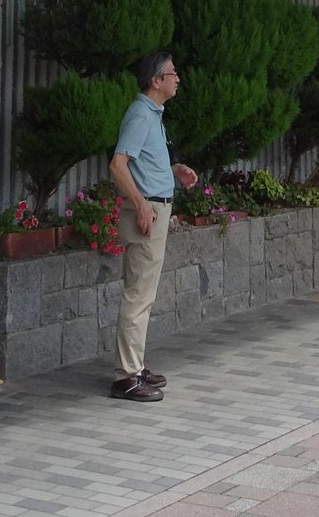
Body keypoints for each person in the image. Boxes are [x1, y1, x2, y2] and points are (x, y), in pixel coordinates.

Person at [105, 51, 198, 403]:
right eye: (172, 74)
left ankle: (135, 366)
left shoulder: (152, 115)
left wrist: (175, 170)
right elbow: (118, 165)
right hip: (148, 213)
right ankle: (126, 377)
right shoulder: (141, 115)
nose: (177, 79)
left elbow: (143, 161)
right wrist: (142, 205)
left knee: (144, 294)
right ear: (156, 81)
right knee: (138, 295)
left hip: (155, 209)